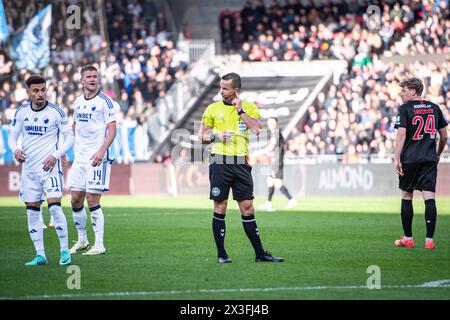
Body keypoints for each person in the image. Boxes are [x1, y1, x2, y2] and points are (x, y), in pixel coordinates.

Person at [198, 72, 283, 263]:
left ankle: (260, 254)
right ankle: (222, 254)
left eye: (225, 88)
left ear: (236, 90)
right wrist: (216, 137)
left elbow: (256, 129)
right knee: (221, 206)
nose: (221, 91)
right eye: (220, 87)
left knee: (248, 208)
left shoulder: (249, 107)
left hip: (241, 163)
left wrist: (240, 111)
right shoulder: (212, 108)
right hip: (220, 161)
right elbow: (201, 136)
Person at [8, 75, 74, 266]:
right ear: (28, 92)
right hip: (29, 170)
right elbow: (13, 137)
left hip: (50, 168)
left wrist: (56, 155)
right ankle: (40, 255)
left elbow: (70, 138)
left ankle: (64, 252)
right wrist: (15, 149)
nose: (40, 94)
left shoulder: (56, 112)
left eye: (43, 90)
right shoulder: (21, 113)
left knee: (55, 207)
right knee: (32, 212)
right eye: (35, 90)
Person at [393, 77, 448, 249]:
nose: (401, 94)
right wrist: (437, 154)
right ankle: (429, 241)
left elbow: (401, 134)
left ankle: (408, 239)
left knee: (407, 195)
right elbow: (444, 136)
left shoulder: (405, 109)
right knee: (429, 197)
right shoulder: (434, 107)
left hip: (410, 158)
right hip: (429, 159)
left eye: (404, 90)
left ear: (413, 91)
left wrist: (396, 158)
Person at [68, 65, 117, 255]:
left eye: (95, 76)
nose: (92, 79)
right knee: (75, 199)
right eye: (88, 76)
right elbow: (75, 125)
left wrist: (101, 152)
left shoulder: (105, 102)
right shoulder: (78, 101)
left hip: (98, 158)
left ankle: (99, 245)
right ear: (81, 80)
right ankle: (82, 240)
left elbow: (112, 130)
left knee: (92, 198)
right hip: (79, 158)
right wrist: (65, 149)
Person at [259, 117, 297, 212]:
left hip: (276, 163)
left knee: (277, 182)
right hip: (275, 162)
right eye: (269, 122)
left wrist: (258, 152)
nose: (270, 124)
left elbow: (271, 147)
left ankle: (291, 200)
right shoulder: (276, 133)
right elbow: (279, 147)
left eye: (272, 122)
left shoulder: (276, 132)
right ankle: (269, 203)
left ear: (277, 123)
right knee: (270, 180)